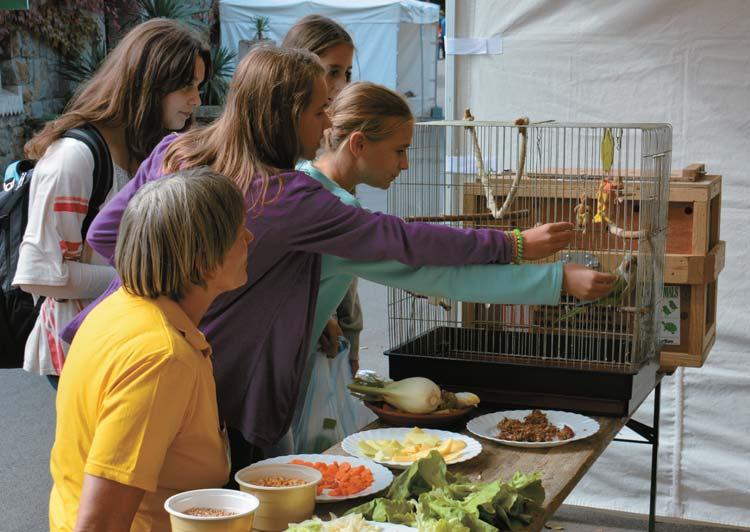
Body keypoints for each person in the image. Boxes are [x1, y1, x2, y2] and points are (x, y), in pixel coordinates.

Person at [62, 47, 608, 476]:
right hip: (213, 380)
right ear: (286, 114)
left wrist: (178, 288)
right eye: (320, 107)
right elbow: (412, 251)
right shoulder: (293, 198)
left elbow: (108, 234)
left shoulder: (177, 150)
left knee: (121, 487)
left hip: (109, 347)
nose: (326, 121)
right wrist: (517, 249)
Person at [290, 82, 616, 452]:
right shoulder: (336, 216)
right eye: (400, 150)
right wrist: (552, 275)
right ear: (359, 144)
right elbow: (437, 274)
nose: (405, 164)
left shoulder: (305, 181)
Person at [49, 168, 252, 532]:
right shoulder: (162, 358)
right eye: (239, 233)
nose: (250, 239)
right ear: (203, 263)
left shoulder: (119, 308)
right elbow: (100, 524)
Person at [12, 19, 210, 385]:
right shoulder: (74, 158)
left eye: (198, 86)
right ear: (149, 83)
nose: (196, 100)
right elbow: (40, 276)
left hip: (127, 340)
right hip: (81, 350)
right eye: (186, 86)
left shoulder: (148, 147)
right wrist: (143, 280)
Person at [282, 14, 360, 369]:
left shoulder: (331, 125)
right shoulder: (285, 152)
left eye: (346, 73)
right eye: (332, 71)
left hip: (332, 306)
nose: (341, 85)